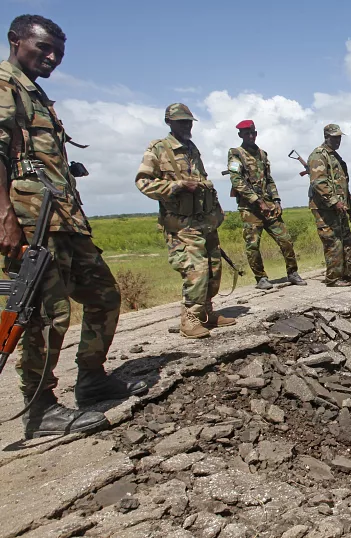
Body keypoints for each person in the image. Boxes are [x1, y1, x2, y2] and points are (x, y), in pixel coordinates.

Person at [0, 14, 146, 438]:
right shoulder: (5, 84)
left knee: (104, 296)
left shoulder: (36, 94)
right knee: (43, 313)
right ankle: (40, 407)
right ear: (14, 41)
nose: (51, 58)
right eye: (43, 48)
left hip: (62, 219)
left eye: (58, 53)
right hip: (28, 222)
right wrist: (4, 217)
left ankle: (92, 379)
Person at [137, 103, 233, 339]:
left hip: (204, 221)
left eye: (189, 121)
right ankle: (189, 319)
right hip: (181, 225)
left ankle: (206, 313)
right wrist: (176, 186)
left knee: (213, 268)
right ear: (169, 122)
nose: (187, 125)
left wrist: (216, 210)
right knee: (196, 271)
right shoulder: (159, 149)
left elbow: (202, 180)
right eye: (181, 122)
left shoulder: (192, 149)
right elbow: (143, 182)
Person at [227, 119, 305, 290]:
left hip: (269, 206)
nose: (250, 136)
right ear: (240, 134)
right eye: (246, 133)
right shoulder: (235, 154)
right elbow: (237, 180)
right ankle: (261, 278)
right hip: (250, 209)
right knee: (253, 244)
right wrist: (257, 201)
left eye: (252, 133)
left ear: (256, 133)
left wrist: (276, 200)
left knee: (285, 240)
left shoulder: (262, 154)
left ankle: (292, 273)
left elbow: (269, 179)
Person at [308, 124, 351, 286]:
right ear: (326, 137)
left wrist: (349, 206)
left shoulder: (336, 157)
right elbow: (319, 183)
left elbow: (343, 185)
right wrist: (333, 201)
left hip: (340, 207)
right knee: (333, 242)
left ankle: (348, 273)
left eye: (339, 137)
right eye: (334, 137)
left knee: (346, 240)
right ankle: (333, 278)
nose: (337, 140)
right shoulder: (318, 155)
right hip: (325, 208)